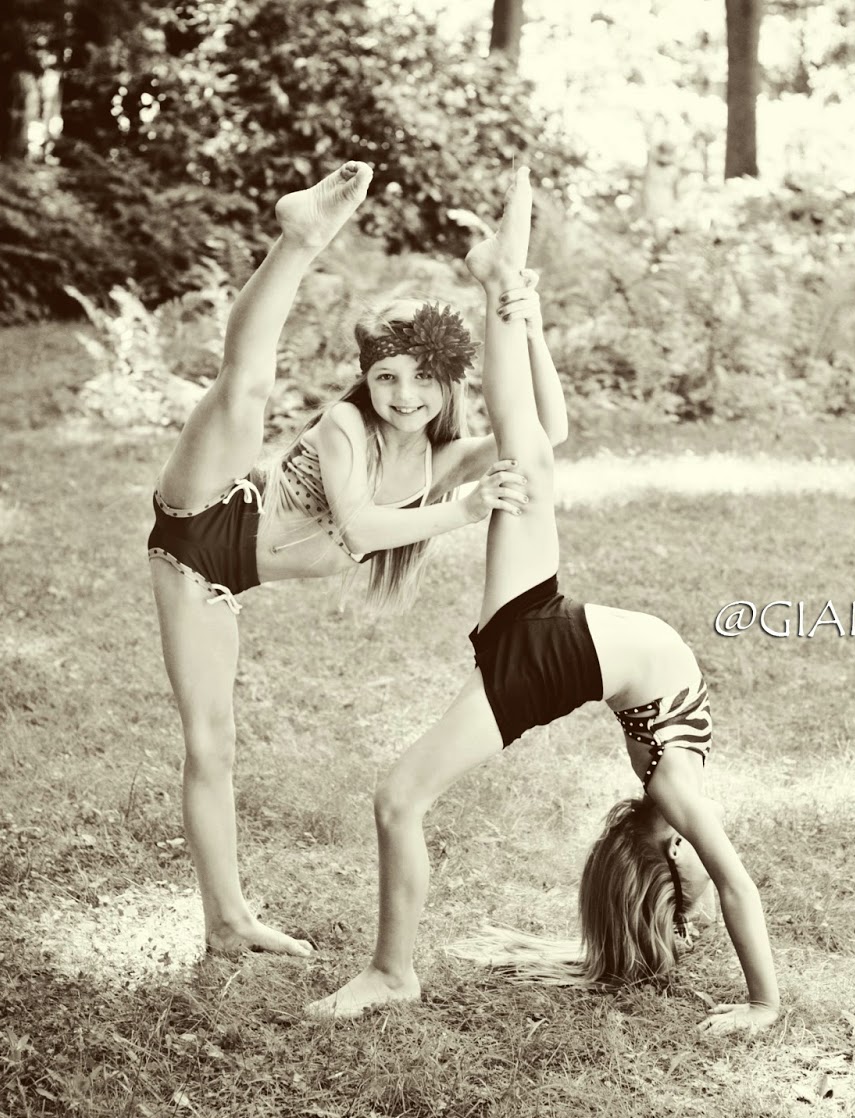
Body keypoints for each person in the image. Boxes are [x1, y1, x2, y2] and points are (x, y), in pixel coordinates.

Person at [307, 169, 780, 1036]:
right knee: (533, 446)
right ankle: (509, 290)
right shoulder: (672, 787)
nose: (703, 872)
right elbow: (729, 882)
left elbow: (737, 882)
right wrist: (525, 323)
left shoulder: (675, 788)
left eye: (684, 883)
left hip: (557, 648)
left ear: (664, 853)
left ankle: (391, 972)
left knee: (399, 798)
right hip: (559, 636)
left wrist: (762, 1002)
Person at [148, 161, 557, 958]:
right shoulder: (345, 426)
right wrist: (465, 510)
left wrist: (520, 317)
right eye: (385, 377)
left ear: (448, 381)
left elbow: (547, 431)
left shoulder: (441, 459)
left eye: (422, 379)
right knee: (244, 387)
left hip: (219, 581)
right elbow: (363, 528)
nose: (403, 395)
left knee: (214, 745)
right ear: (365, 378)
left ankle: (227, 923)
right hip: (206, 509)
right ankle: (300, 237)